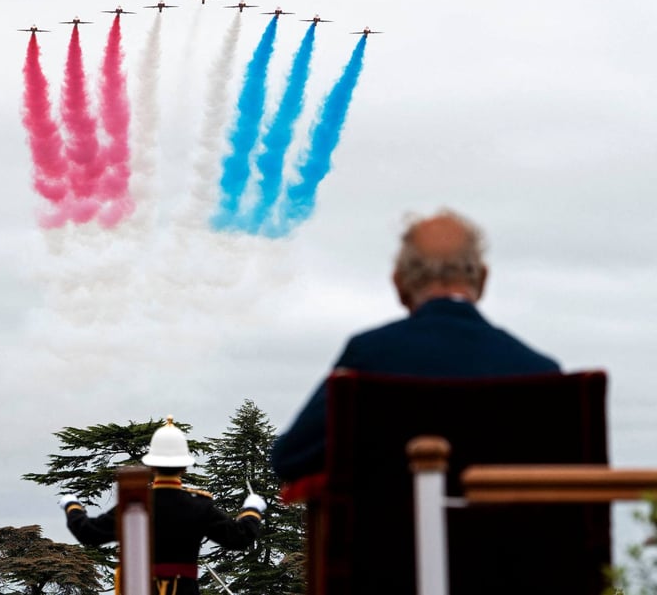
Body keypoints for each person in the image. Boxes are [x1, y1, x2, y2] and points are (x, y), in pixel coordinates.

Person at [271, 209, 561, 481]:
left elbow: (291, 459)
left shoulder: (369, 357)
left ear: (400, 284)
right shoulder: (542, 374)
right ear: (483, 278)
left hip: (389, 534)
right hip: (507, 536)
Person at [60, 417, 265, 595]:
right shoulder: (199, 506)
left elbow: (88, 533)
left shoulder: (134, 505)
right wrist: (252, 511)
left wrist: (72, 506)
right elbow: (240, 538)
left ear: (151, 466)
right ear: (185, 467)